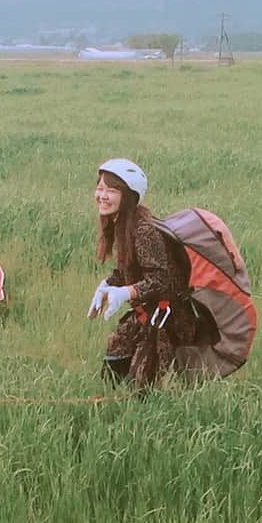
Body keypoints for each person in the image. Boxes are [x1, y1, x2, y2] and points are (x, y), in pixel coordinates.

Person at [86, 158, 196, 387]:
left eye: (111, 190)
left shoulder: (144, 230)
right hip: (143, 312)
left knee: (142, 391)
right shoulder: (122, 224)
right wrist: (106, 285)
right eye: (99, 188)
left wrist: (124, 293)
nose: (102, 195)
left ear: (129, 195)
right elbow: (126, 269)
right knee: (113, 370)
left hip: (166, 319)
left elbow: (160, 281)